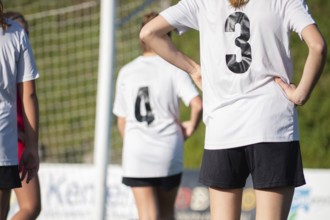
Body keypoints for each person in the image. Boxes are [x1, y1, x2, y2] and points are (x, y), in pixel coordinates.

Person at [140, 0, 327, 219]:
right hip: (272, 125)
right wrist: (301, 94)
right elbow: (317, 46)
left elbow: (149, 33)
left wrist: (193, 69)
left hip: (222, 128)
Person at [113, 11, 202, 220]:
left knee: (147, 216)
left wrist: (137, 143)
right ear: (167, 37)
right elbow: (197, 105)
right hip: (167, 149)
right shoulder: (175, 68)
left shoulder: (126, 71)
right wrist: (189, 129)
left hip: (137, 152)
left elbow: (122, 120)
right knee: (167, 214)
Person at [0, 1, 39, 220]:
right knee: (30, 206)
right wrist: (32, 145)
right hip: (4, 146)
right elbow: (29, 95)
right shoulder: (15, 35)